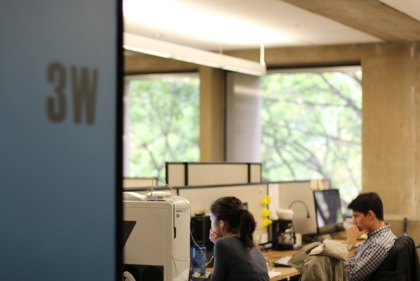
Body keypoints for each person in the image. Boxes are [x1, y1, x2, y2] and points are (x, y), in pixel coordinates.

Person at [208, 196, 269, 281]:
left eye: (211, 220)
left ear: (222, 224)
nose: (211, 226)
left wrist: (218, 242)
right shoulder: (251, 243)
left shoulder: (222, 244)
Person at [346, 192, 396, 281]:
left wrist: (351, 240)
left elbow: (350, 277)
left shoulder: (379, 244)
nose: (354, 222)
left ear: (370, 215)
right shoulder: (375, 236)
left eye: (356, 216)